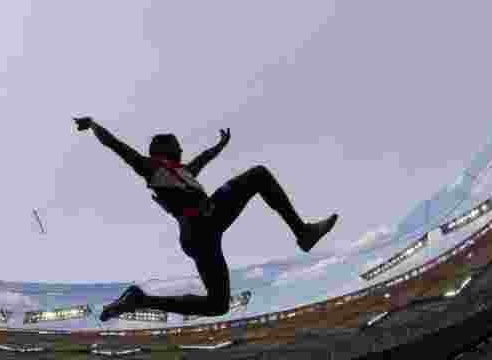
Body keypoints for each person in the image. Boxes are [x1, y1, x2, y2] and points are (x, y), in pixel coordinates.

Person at [74, 117, 338, 321]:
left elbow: (204, 158)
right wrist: (94, 125)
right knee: (257, 174)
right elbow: (114, 144)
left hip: (203, 230)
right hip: (200, 225)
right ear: (162, 149)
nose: (180, 147)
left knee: (218, 305)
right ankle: (302, 233)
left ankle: (140, 301)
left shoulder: (184, 171)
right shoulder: (151, 167)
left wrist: (219, 146)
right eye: (176, 144)